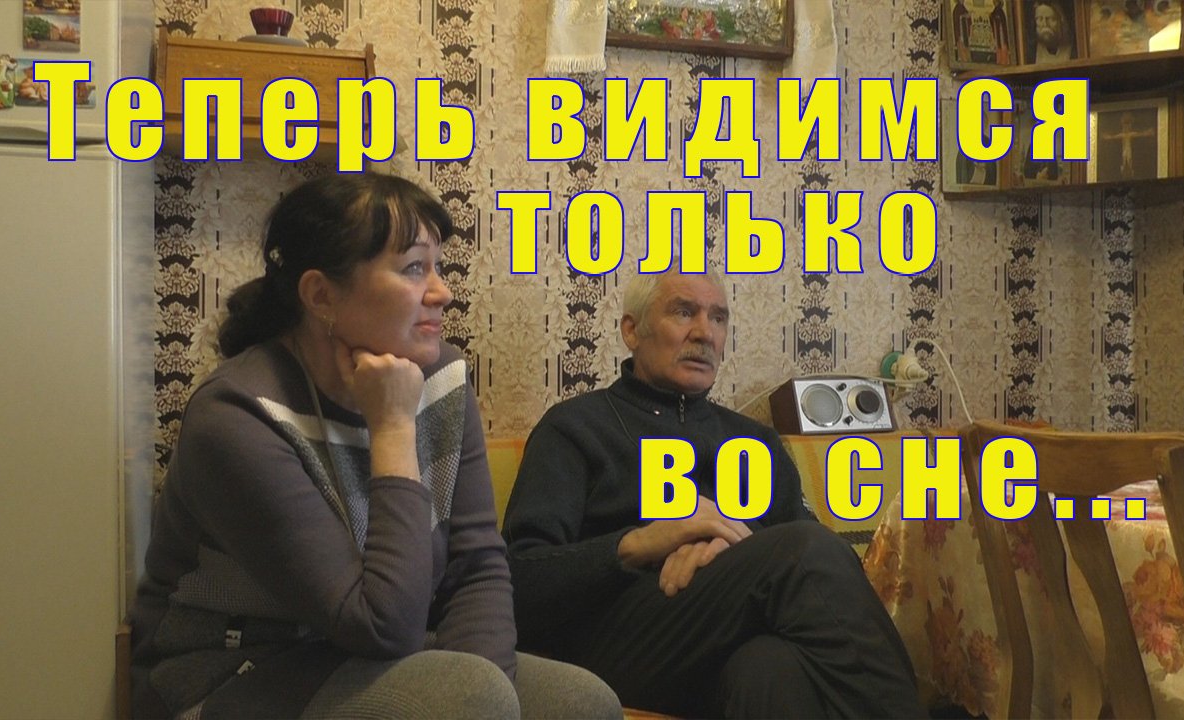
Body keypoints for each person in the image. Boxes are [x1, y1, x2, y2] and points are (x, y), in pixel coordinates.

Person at [128, 173, 620, 719]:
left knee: (582, 703)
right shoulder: (238, 415)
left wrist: (489, 691)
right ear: (320, 295)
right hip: (229, 672)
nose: (442, 291)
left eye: (437, 266)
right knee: (466, 696)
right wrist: (392, 429)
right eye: (413, 268)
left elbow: (476, 566)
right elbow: (382, 626)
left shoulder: (443, 378)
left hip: (364, 656)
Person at [502, 268, 924, 718]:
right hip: (620, 644)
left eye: (718, 318)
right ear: (632, 331)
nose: (705, 333)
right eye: (684, 312)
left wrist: (737, 555)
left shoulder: (755, 441)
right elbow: (518, 582)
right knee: (803, 553)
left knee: (769, 668)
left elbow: (823, 579)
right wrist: (643, 542)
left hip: (724, 650)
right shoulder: (575, 427)